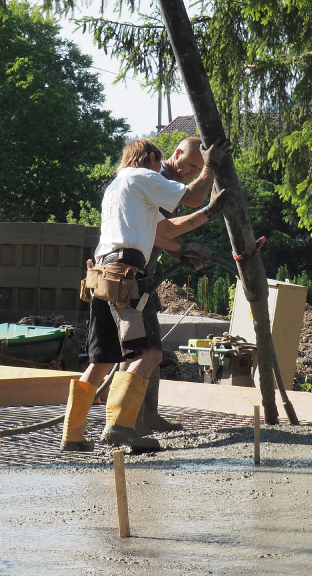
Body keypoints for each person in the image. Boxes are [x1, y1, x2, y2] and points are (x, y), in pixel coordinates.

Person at [61, 137, 230, 452]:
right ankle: (120, 427)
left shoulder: (118, 188)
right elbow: (192, 196)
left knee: (101, 361)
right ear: (153, 158)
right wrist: (210, 166)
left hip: (101, 275)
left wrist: (208, 212)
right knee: (149, 353)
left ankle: (72, 435)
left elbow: (163, 232)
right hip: (127, 272)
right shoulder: (143, 176)